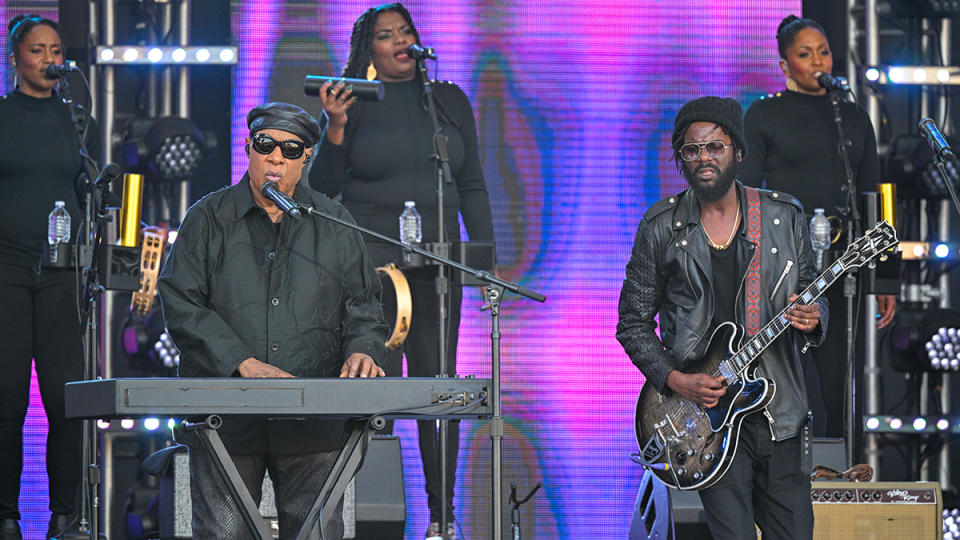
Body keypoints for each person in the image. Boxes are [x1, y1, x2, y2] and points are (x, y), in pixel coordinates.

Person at [157, 102, 389, 540]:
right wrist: (241, 362)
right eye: (266, 145)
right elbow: (182, 303)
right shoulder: (208, 218)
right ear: (248, 147)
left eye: (290, 148)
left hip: (313, 422)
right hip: (226, 418)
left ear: (307, 158)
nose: (276, 157)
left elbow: (365, 306)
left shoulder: (335, 223)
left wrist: (363, 348)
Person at [308, 4, 495, 539]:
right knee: (376, 390)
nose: (399, 41)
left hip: (437, 271)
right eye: (386, 35)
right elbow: (322, 190)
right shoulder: (355, 102)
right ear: (369, 49)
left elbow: (473, 185)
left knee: (440, 388)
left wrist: (480, 261)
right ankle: (368, 515)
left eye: (406, 31)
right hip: (374, 270)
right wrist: (336, 125)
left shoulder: (449, 102)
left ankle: (443, 518)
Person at [617, 96, 826, 539]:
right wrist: (675, 379)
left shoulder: (783, 217)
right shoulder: (660, 227)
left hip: (779, 411)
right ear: (680, 159)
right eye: (691, 150)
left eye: (715, 146)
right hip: (708, 421)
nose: (704, 158)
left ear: (738, 152)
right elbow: (632, 322)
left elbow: (810, 292)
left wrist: (814, 316)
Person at [741, 14, 897, 438]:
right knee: (785, 372)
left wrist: (884, 279)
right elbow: (748, 192)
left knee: (841, 378)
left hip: (843, 263)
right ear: (785, 64)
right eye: (804, 54)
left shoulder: (852, 116)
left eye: (823, 51)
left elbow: (875, 197)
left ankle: (844, 475)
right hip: (784, 266)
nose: (817, 61)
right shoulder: (763, 113)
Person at [0, 14, 101, 540]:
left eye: (56, 49)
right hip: (6, 272)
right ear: (17, 58)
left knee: (66, 397)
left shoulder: (76, 120)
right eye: (37, 50)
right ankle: (6, 515)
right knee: (7, 396)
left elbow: (94, 187)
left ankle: (68, 515)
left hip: (62, 272)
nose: (49, 59)